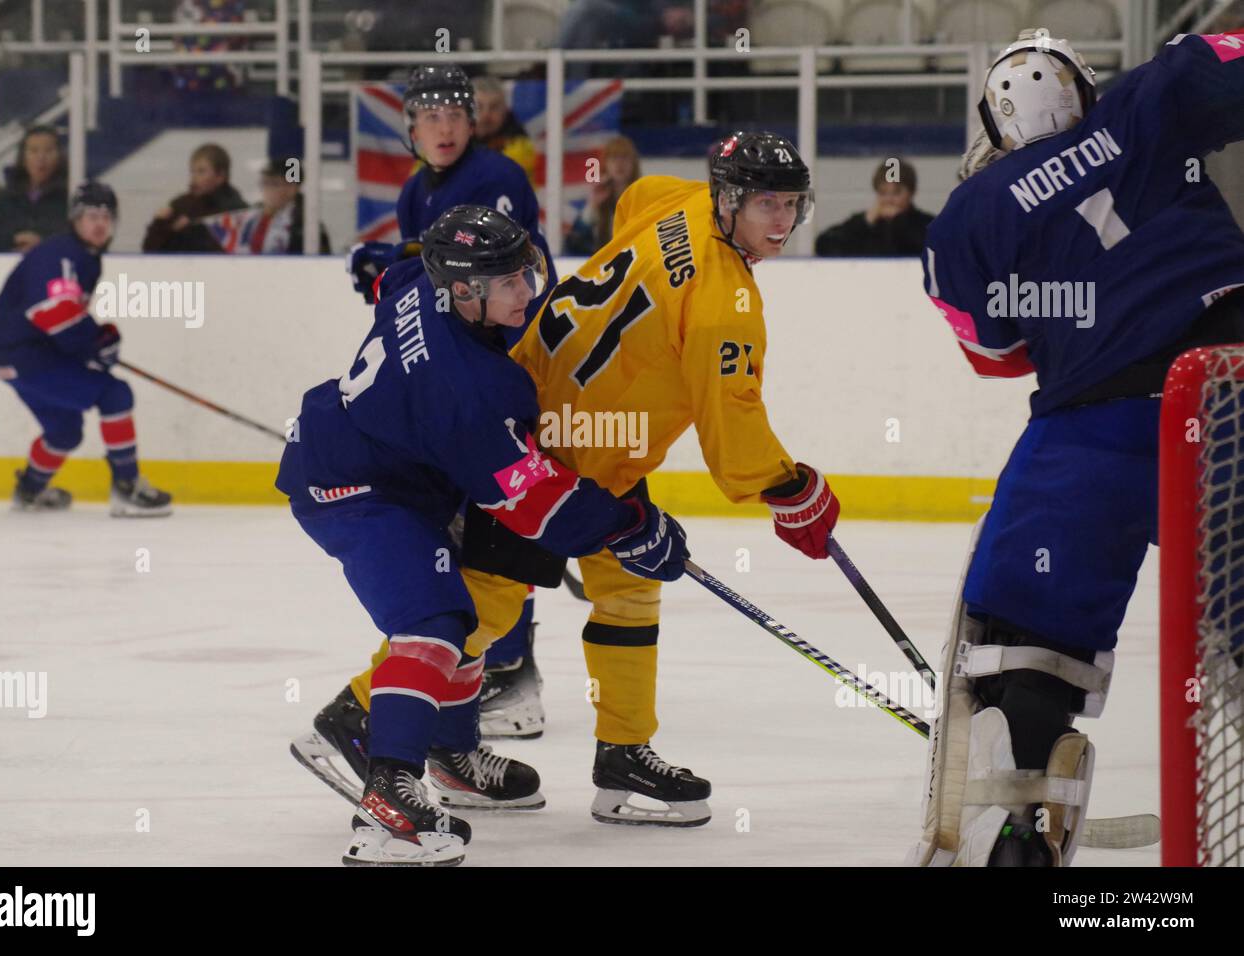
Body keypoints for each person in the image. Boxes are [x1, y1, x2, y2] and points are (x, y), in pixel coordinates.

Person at [910, 28, 1244, 867]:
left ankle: (1016, 824)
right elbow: (1222, 61)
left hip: (1090, 421)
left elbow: (993, 354)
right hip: (1229, 378)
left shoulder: (970, 215)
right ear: (1083, 91)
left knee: (1027, 641)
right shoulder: (1148, 101)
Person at [446, 131, 839, 828]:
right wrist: (791, 489)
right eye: (765, 205)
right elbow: (733, 422)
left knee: (629, 586)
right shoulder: (727, 303)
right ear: (728, 200)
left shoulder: (675, 202)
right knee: (485, 606)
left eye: (791, 205)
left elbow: (634, 196)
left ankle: (623, 755)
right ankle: (371, 723)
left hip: (565, 422)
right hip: (557, 455)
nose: (780, 221)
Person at [278, 205, 688, 866]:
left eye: (524, 271)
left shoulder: (423, 284)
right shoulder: (472, 390)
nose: (529, 290)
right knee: (435, 622)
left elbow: (394, 278)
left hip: (372, 457)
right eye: (510, 282)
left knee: (467, 603)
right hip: (358, 491)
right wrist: (629, 525)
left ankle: (449, 752)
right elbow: (537, 505)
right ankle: (388, 799)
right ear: (463, 290)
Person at [346, 62, 556, 742]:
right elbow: (434, 277)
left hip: (508, 367)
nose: (443, 126)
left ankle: (513, 669)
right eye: (429, 116)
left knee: (500, 518)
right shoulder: (415, 191)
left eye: (455, 115)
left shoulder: (495, 179)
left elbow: (504, 279)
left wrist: (395, 264)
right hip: (466, 374)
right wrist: (393, 265)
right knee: (472, 523)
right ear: (409, 128)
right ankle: (488, 666)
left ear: (475, 122)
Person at [0, 181, 173, 517]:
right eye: (90, 215)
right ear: (75, 219)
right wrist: (94, 343)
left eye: (106, 216)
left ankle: (29, 491)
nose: (99, 223)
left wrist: (93, 344)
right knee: (115, 394)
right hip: (25, 354)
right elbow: (52, 310)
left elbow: (63, 317)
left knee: (65, 431)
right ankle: (126, 488)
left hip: (17, 355)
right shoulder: (63, 254)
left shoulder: (85, 257)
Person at [0, 125, 69, 252]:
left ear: (60, 156)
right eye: (34, 151)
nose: (41, 158)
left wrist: (43, 243)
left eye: (48, 150)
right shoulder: (6, 199)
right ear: (23, 157)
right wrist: (13, 239)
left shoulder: (69, 198)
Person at [200, 156, 330, 254]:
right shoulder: (251, 218)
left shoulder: (305, 225)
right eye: (265, 183)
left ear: (292, 189)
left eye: (274, 184)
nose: (267, 190)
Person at [815, 158, 933, 257]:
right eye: (883, 192)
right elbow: (823, 245)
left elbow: (936, 250)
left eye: (897, 192)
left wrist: (899, 222)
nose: (889, 199)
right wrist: (865, 222)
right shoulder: (864, 225)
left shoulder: (927, 225)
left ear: (911, 192)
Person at [142, 143, 247, 252]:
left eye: (201, 171)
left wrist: (192, 230)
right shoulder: (180, 205)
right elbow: (149, 251)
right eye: (192, 171)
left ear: (220, 176)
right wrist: (160, 224)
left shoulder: (235, 211)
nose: (194, 178)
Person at [566, 134, 641, 255]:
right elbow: (573, 246)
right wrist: (592, 206)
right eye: (614, 158)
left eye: (625, 157)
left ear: (634, 164)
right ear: (605, 164)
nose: (619, 163)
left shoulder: (643, 197)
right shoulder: (600, 199)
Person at [472, 76, 536, 184]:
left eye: (494, 107)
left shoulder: (519, 145)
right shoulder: (453, 140)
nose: (486, 115)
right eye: (479, 107)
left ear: (505, 110)